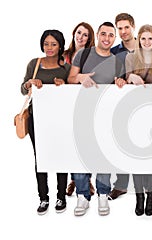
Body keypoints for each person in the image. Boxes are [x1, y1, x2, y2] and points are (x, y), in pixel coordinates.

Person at [68, 21, 125, 216]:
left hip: (105, 114)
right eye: (103, 34)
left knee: (103, 154)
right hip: (81, 112)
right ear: (98, 35)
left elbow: (120, 84)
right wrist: (80, 77)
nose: (106, 38)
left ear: (114, 38)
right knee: (80, 155)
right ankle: (82, 196)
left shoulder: (117, 61)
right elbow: (70, 79)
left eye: (111, 35)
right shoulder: (83, 54)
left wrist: (120, 81)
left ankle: (103, 193)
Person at [115, 24, 152, 216]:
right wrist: (130, 76)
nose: (147, 42)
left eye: (150, 38)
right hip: (135, 111)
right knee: (137, 156)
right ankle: (139, 196)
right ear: (138, 40)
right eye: (143, 38)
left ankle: (149, 195)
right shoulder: (131, 57)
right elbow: (124, 80)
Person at [109, 13, 152, 201]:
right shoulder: (117, 52)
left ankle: (151, 188)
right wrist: (124, 78)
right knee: (127, 147)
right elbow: (117, 76)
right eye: (120, 28)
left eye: (126, 27)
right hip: (130, 104)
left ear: (133, 28)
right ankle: (122, 185)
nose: (123, 31)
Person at [21, 29, 71, 215]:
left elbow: (73, 94)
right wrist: (29, 84)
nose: (49, 48)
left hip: (60, 119)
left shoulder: (65, 68)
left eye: (53, 44)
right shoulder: (34, 64)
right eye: (46, 44)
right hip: (37, 118)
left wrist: (63, 86)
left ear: (60, 46)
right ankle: (43, 198)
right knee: (40, 157)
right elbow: (23, 88)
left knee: (61, 157)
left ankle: (61, 196)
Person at [63, 22, 96, 197]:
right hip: (66, 103)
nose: (81, 37)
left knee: (84, 142)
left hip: (84, 102)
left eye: (85, 35)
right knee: (69, 143)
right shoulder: (64, 55)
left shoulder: (90, 55)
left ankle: (86, 179)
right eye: (79, 33)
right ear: (74, 33)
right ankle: (74, 179)